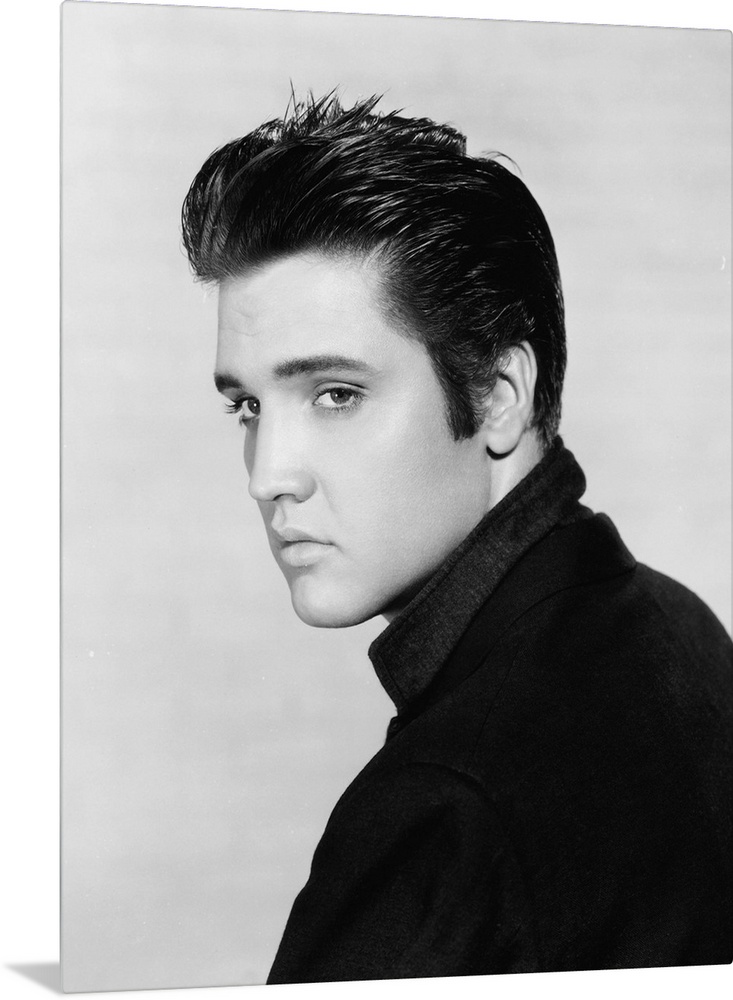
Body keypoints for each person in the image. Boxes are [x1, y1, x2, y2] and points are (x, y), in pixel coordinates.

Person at [181, 94, 732, 983]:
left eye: (335, 395)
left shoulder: (439, 809)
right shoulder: (675, 624)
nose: (268, 473)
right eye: (247, 406)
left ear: (500, 396)